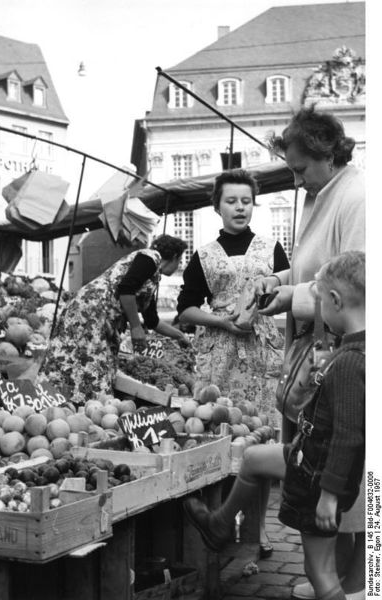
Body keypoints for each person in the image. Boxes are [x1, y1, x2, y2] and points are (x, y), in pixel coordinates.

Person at [184, 250, 365, 600]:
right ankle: (220, 526)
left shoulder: (347, 362)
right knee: (253, 460)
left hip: (317, 474)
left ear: (335, 301)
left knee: (322, 575)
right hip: (310, 458)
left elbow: (348, 436)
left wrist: (329, 496)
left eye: (319, 302)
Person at [254, 107, 365, 599]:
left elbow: (355, 284)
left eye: (300, 169)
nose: (297, 181)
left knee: (337, 462)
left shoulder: (356, 196)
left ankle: (355, 581)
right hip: (318, 349)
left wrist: (290, 298)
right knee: (317, 458)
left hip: (336, 353)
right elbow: (314, 269)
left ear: (327, 154)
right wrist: (277, 281)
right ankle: (336, 576)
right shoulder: (322, 193)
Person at [176, 169, 290, 558]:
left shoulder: (272, 247)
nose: (240, 207)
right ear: (217, 206)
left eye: (246, 200)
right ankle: (222, 522)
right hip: (219, 359)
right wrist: (223, 320)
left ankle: (258, 532)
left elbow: (286, 291)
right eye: (231, 201)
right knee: (221, 439)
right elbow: (187, 310)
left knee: (257, 438)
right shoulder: (205, 255)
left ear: (253, 204)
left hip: (261, 356)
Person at [40, 234, 190, 404]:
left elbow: (152, 321)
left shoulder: (153, 276)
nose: (179, 266)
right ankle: (74, 404)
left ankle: (78, 405)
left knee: (85, 363)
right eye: (180, 261)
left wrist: (180, 336)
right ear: (175, 256)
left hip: (99, 318)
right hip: (90, 314)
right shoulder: (150, 258)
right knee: (87, 363)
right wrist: (135, 327)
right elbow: (126, 289)